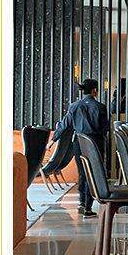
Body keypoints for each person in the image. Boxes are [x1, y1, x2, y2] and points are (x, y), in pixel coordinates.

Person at [52, 78, 109, 216]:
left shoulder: (74, 106)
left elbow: (64, 125)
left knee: (82, 173)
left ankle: (82, 203)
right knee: (93, 173)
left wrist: (53, 140)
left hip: (78, 143)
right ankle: (88, 207)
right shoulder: (100, 107)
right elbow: (105, 129)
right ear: (95, 90)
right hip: (95, 143)